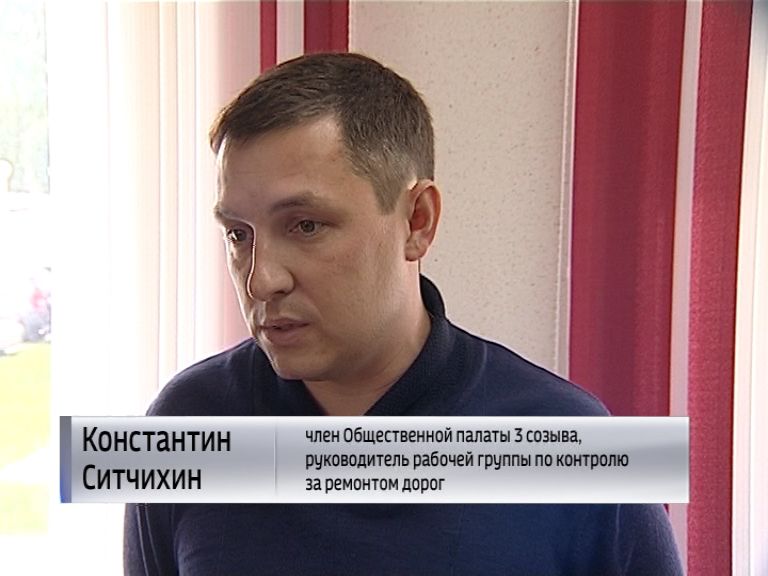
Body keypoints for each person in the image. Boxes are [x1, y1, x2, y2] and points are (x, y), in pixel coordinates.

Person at [124, 52, 683, 575]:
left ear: (417, 221)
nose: (261, 279)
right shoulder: (184, 427)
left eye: (306, 225)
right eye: (238, 234)